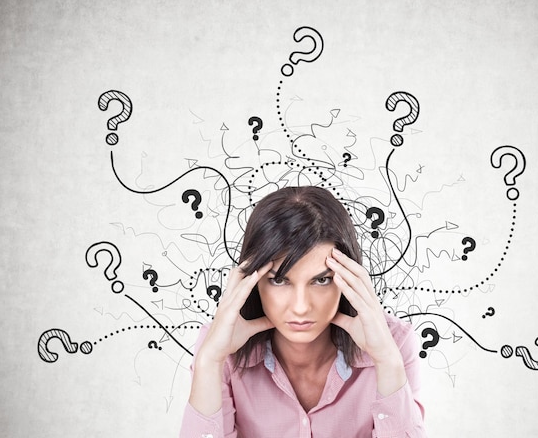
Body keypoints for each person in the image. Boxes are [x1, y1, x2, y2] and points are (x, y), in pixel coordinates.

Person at [179, 186, 426, 437]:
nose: (300, 307)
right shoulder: (219, 348)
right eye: (279, 281)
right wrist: (209, 361)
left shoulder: (394, 343)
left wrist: (386, 359)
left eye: (321, 281)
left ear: (349, 276)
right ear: (252, 282)